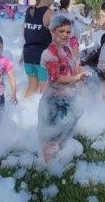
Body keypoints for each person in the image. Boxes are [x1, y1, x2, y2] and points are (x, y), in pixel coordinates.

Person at [38, 14, 90, 164]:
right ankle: (47, 169)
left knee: (63, 134)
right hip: (55, 101)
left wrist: (79, 74)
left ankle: (57, 163)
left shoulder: (66, 50)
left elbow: (70, 69)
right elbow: (56, 78)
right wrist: (76, 78)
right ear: (52, 31)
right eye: (61, 31)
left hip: (68, 97)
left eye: (68, 32)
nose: (66, 35)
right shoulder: (50, 53)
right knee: (52, 138)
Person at [23, 0, 58, 98]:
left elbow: (26, 34)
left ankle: (23, 109)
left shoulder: (29, 10)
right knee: (44, 91)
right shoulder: (49, 13)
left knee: (31, 88)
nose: (53, 2)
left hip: (27, 54)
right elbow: (56, 38)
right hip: (42, 56)